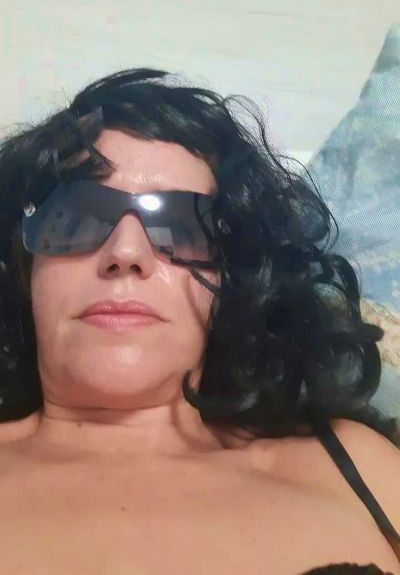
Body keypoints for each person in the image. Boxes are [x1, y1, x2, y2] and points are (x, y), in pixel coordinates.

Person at [0, 68, 398, 575]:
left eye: (182, 224)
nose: (126, 253)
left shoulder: (355, 466)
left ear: (233, 279)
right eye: (76, 217)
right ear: (25, 265)